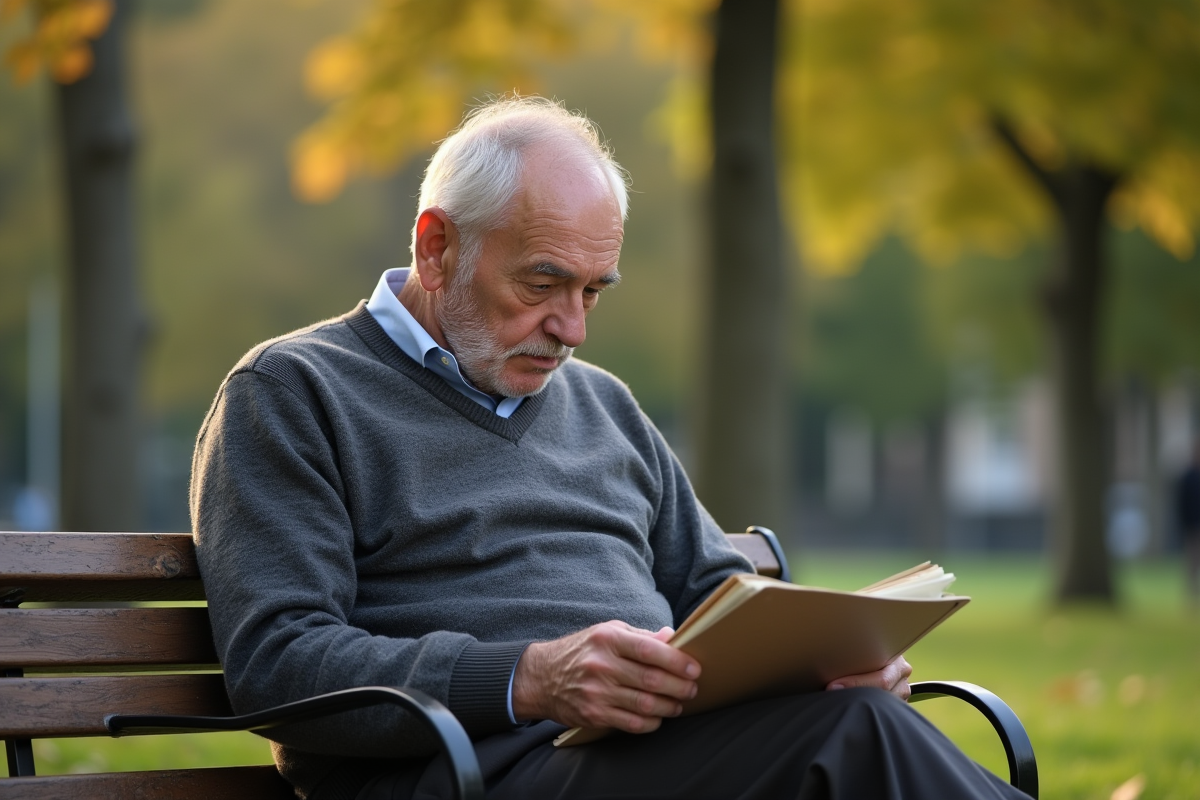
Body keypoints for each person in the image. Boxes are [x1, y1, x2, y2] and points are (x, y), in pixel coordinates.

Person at [191, 96, 1027, 800]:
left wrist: (829, 660)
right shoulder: (292, 391)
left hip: (649, 751)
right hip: (466, 769)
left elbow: (713, 589)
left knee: (857, 715)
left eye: (593, 291)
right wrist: (530, 678)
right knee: (858, 740)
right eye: (543, 283)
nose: (572, 329)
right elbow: (280, 660)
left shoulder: (604, 405)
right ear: (437, 247)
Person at [1177, 439, 1200, 606]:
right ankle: (1190, 599)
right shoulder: (1187, 477)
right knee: (1192, 564)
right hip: (1193, 527)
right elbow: (1181, 504)